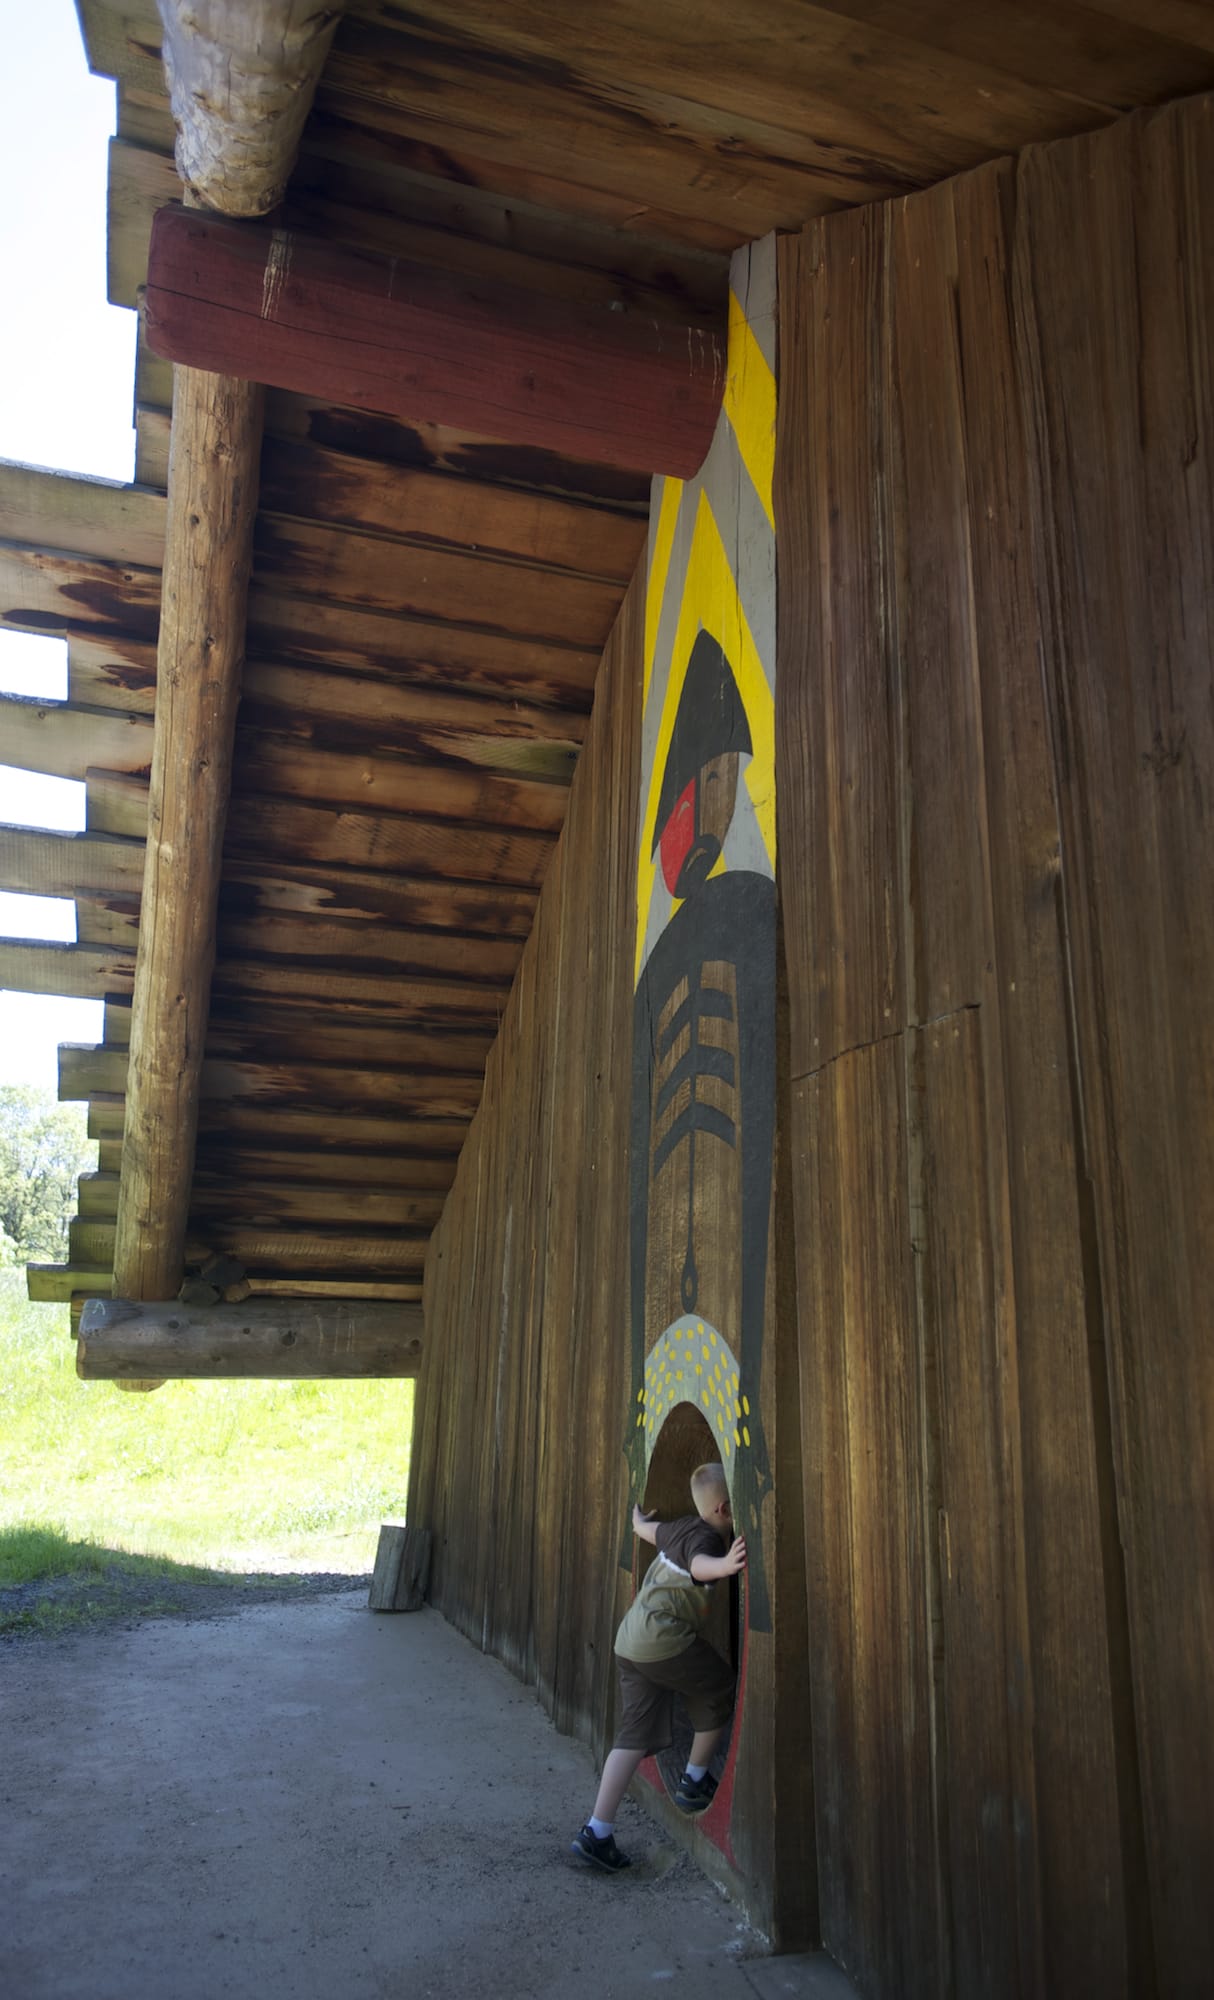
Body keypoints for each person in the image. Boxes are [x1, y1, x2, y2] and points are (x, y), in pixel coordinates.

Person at [571, 1461, 746, 1872]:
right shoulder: (707, 1539)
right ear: (723, 1509)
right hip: (663, 1640)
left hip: (629, 1641)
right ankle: (694, 1778)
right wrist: (724, 1567)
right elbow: (700, 1564)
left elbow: (649, 1532)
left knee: (631, 1737)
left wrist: (636, 1522)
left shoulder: (680, 1527)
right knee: (720, 1684)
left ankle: (596, 1831)